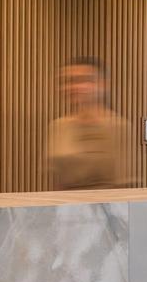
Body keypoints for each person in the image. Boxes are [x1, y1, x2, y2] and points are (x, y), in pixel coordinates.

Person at [49, 57, 130, 190]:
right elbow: (56, 179)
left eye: (84, 80)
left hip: (107, 201)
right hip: (66, 201)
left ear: (103, 84)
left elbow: (125, 182)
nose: (75, 86)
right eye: (68, 81)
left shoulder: (118, 127)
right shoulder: (59, 126)